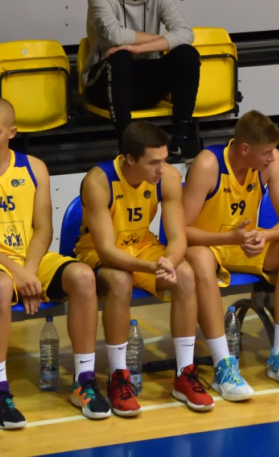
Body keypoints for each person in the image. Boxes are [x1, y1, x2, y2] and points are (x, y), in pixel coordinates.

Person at [0, 98, 110, 430]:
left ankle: (84, 381)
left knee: (83, 277)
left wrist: (29, 271)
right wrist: (18, 274)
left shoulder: (35, 168)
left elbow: (44, 228)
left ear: (12, 132)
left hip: (30, 260)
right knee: (1, 285)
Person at [75, 121, 214, 416]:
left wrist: (169, 261)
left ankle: (185, 374)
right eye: (153, 162)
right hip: (98, 253)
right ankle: (119, 377)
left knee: (185, 275)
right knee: (120, 280)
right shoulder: (98, 180)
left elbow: (178, 237)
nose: (161, 168)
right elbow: (106, 250)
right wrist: (151, 267)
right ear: (129, 158)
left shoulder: (168, 177)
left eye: (164, 159)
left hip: (144, 247)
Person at [182, 110, 279, 399]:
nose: (272, 157)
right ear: (244, 149)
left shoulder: (271, 162)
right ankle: (223, 365)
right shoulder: (208, 164)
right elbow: (182, 230)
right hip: (209, 244)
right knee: (199, 259)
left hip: (244, 243)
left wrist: (266, 235)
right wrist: (228, 238)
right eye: (266, 152)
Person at [83, 0, 201, 159]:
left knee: (187, 55)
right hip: (103, 82)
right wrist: (163, 40)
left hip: (143, 81)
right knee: (121, 57)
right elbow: (113, 35)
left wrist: (142, 47)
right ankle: (126, 144)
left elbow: (186, 33)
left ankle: (181, 138)